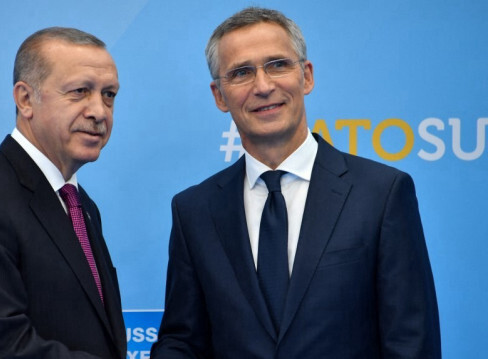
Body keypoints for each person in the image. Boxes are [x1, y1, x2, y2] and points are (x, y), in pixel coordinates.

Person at [151, 7, 440, 358]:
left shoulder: (381, 194)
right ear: (219, 96)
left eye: (277, 65)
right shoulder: (194, 210)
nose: (263, 86)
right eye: (241, 72)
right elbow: (183, 341)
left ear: (306, 76)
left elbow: (410, 342)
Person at [0, 27, 126, 358]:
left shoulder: (81, 204)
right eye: (80, 91)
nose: (99, 111)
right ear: (25, 99)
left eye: (109, 94)